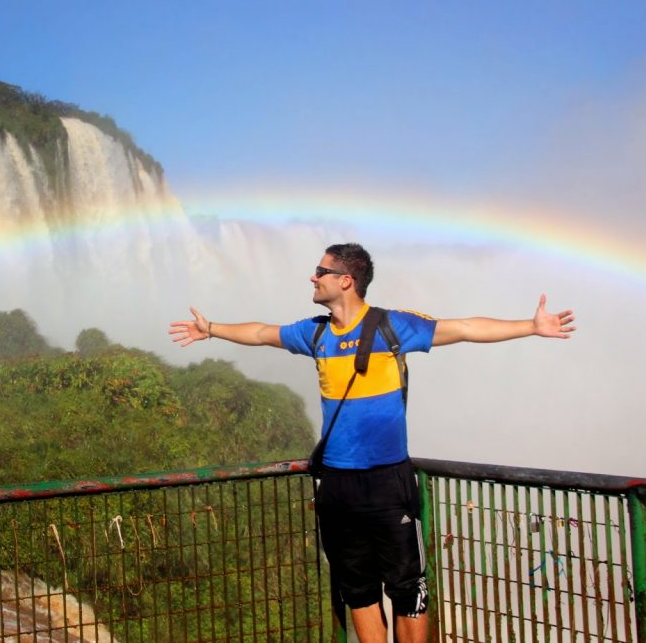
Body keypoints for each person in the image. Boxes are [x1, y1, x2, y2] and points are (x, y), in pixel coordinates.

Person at [168, 242, 575, 643]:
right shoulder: (315, 333)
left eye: (321, 271)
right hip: (339, 485)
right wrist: (211, 330)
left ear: (346, 280)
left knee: (408, 590)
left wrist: (531, 326)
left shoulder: (392, 325)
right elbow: (261, 333)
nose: (313, 276)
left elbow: (464, 328)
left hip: (387, 480)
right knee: (357, 590)